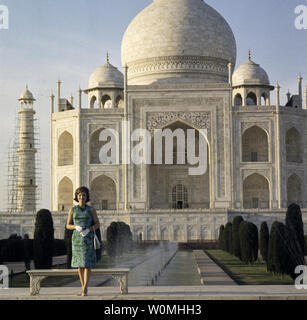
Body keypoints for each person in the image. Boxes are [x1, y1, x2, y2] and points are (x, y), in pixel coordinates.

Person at [66, 186, 100, 296]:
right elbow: (68, 225)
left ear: (87, 197)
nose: (82, 197)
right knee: (80, 265)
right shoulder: (72, 209)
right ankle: (83, 287)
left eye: (84, 195)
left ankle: (84, 288)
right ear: (77, 197)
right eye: (80, 195)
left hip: (88, 238)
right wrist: (75, 227)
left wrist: (89, 229)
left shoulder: (91, 210)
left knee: (87, 264)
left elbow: (97, 224)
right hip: (77, 239)